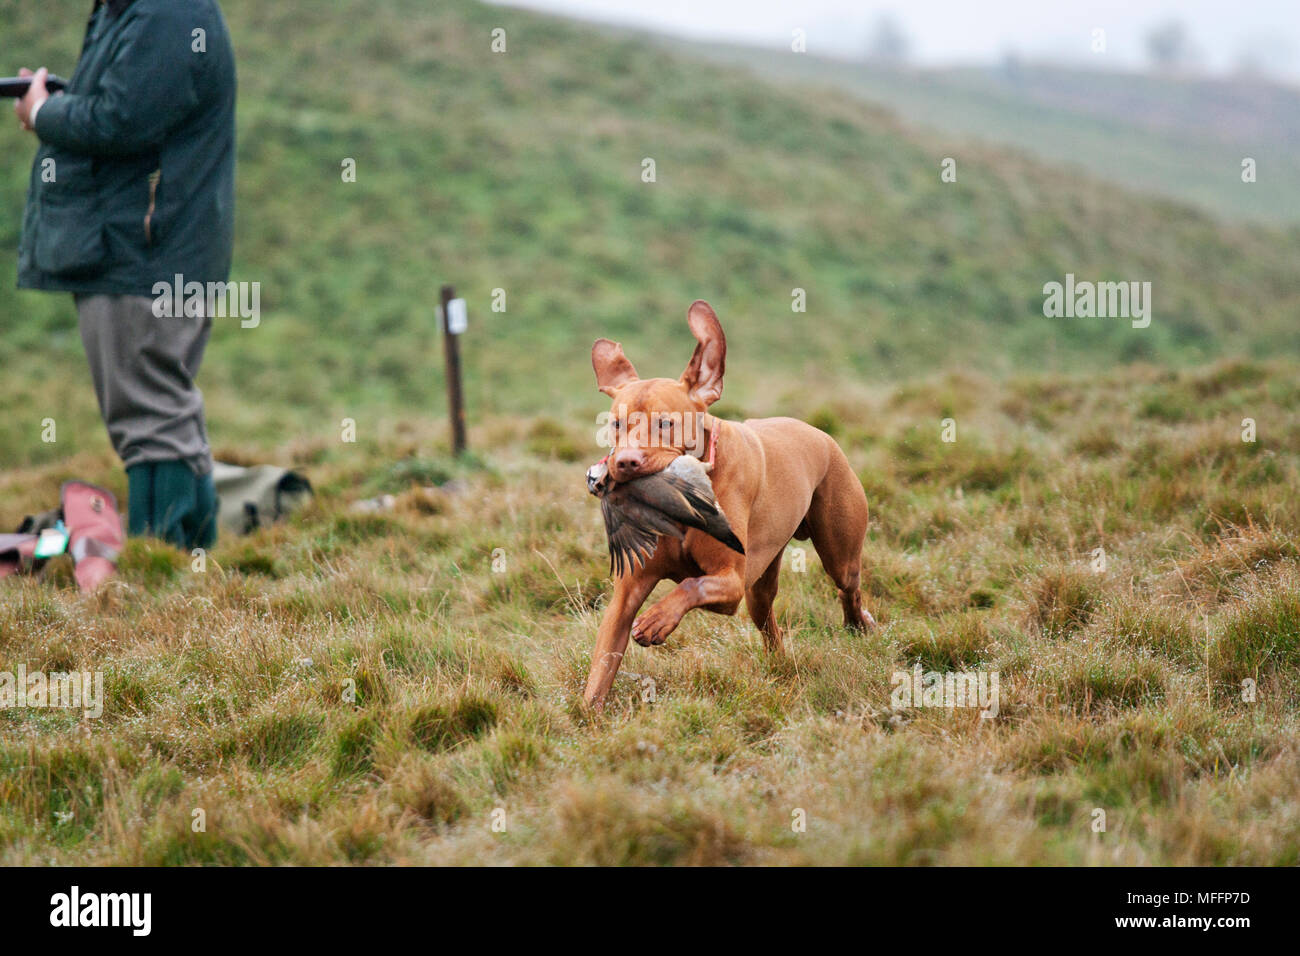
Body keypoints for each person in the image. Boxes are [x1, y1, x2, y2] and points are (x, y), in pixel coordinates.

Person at [14, 0, 236, 551]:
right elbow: (128, 107)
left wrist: (44, 113)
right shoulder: (141, 10)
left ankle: (163, 576)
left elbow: (122, 120)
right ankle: (189, 572)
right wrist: (60, 105)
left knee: (152, 421)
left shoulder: (167, 13)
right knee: (159, 414)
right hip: (140, 248)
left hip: (143, 252)